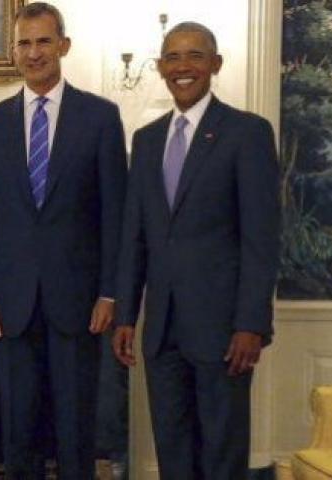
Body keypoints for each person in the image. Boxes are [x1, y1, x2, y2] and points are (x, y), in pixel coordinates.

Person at [0, 3, 128, 478]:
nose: (34, 52)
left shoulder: (100, 117)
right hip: (9, 306)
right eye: (24, 43)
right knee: (18, 430)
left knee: (76, 429)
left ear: (63, 45)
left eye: (43, 41)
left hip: (79, 302)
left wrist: (110, 292)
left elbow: (114, 215)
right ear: (13, 52)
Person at [112, 22, 280, 480]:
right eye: (172, 57)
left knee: (222, 456)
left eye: (194, 56)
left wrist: (251, 323)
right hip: (161, 331)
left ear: (215, 64)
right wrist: (126, 315)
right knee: (174, 456)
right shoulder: (146, 140)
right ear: (160, 67)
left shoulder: (247, 133)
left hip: (224, 332)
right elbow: (135, 237)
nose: (182, 66)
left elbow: (262, 239)